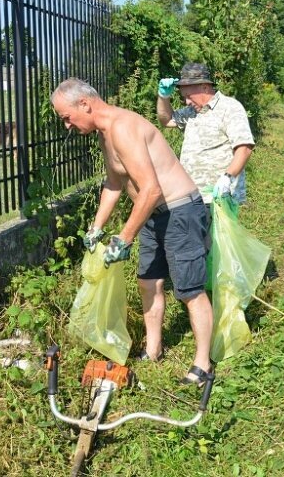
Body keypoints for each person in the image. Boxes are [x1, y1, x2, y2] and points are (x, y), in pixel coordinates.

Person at [51, 78, 213, 386]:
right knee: (148, 282)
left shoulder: (123, 127)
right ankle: (153, 350)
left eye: (67, 117)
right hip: (153, 215)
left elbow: (151, 189)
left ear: (84, 104)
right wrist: (96, 228)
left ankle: (203, 364)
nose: (67, 126)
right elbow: (114, 183)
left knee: (189, 289)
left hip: (179, 212)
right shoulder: (105, 134)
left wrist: (124, 238)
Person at [156, 63, 255, 205]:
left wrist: (228, 178)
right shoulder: (191, 112)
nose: (187, 101)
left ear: (204, 87)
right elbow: (166, 120)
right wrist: (163, 96)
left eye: (189, 96)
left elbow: (244, 148)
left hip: (220, 196)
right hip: (192, 197)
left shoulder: (229, 108)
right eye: (184, 97)